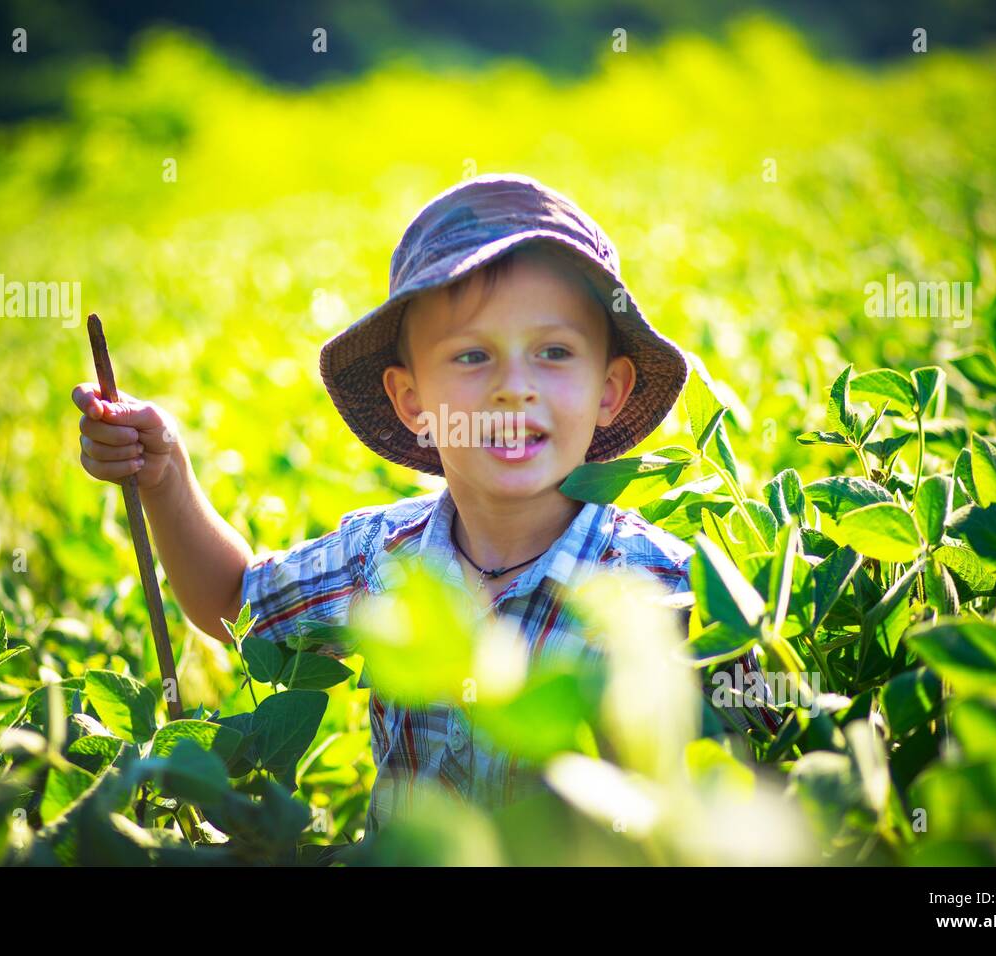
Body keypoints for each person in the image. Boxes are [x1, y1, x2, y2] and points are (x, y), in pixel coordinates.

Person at [71, 172, 778, 843]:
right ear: (414, 403)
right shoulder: (380, 558)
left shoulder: (667, 590)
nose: (513, 388)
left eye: (554, 352)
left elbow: (754, 776)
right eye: (472, 357)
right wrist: (164, 476)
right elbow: (234, 602)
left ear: (608, 390)